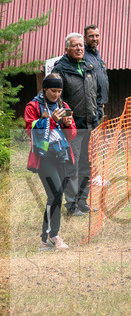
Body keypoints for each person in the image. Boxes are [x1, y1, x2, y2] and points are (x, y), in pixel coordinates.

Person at [25, 74, 77, 251]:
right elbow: (30, 131)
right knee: (55, 194)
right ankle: (53, 236)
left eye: (59, 91)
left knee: (56, 196)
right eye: (53, 90)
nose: (56, 94)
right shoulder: (33, 106)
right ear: (45, 88)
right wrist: (51, 120)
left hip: (61, 155)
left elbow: (72, 135)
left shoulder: (64, 106)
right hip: (43, 157)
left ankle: (45, 240)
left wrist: (67, 124)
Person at [52, 32, 98, 217]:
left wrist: (97, 113)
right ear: (66, 49)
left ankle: (82, 201)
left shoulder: (88, 65)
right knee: (72, 166)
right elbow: (55, 98)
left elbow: (95, 92)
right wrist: (67, 119)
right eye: (74, 46)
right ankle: (71, 205)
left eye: (80, 45)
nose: (79, 48)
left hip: (90, 124)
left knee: (87, 165)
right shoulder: (60, 69)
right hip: (72, 127)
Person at [83, 25, 108, 122]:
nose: (95, 39)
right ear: (85, 38)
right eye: (91, 36)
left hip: (100, 105)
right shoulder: (82, 55)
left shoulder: (97, 55)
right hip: (91, 107)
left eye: (97, 36)